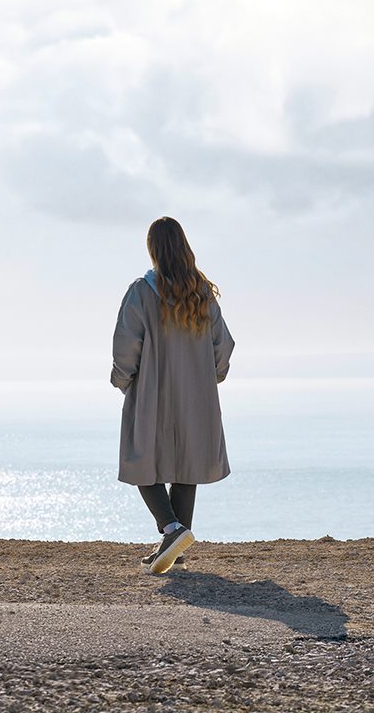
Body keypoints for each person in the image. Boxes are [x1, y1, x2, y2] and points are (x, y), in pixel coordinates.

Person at [110, 216, 234, 574]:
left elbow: (125, 345)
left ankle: (172, 529)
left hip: (152, 390)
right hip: (196, 394)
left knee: (139, 461)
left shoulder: (142, 291)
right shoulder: (202, 294)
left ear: (153, 249)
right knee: (185, 465)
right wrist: (209, 378)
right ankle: (173, 548)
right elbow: (222, 347)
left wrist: (122, 379)